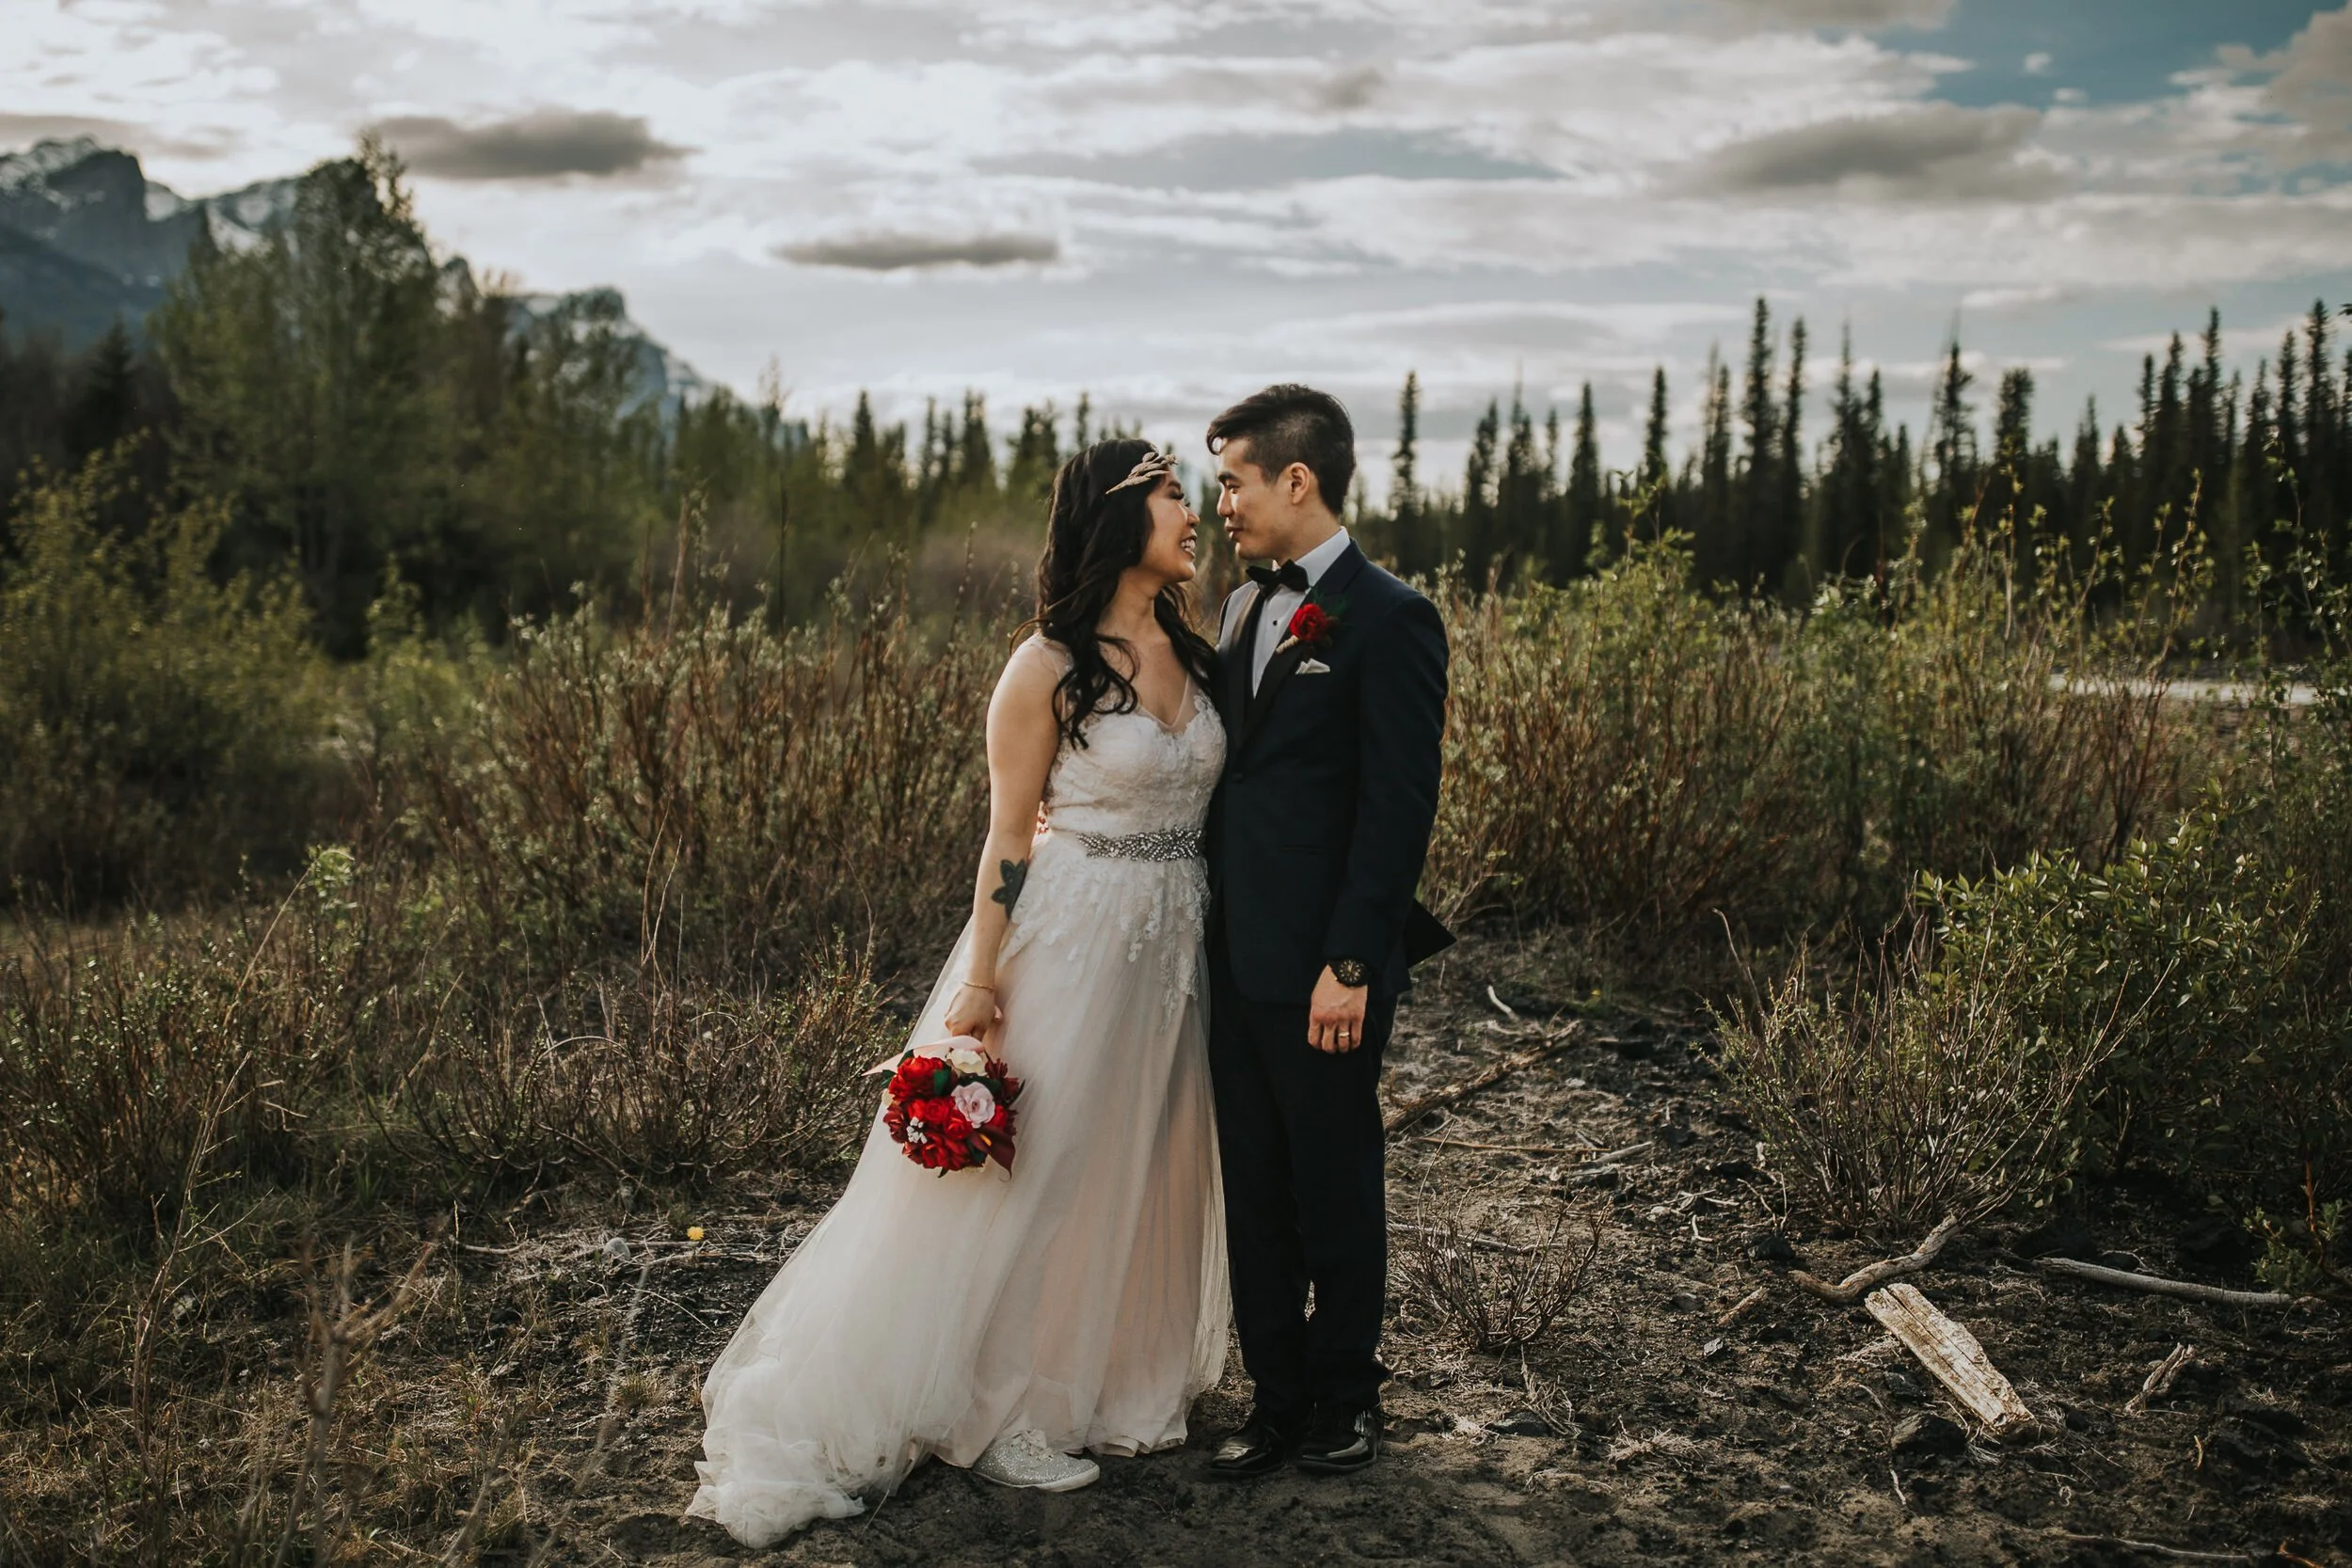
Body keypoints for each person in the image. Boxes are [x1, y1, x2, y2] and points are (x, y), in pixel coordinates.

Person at [689, 439, 1231, 1547]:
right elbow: (1005, 833)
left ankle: (1106, 1379)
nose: (1194, 511)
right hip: (1072, 937)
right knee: (1049, 1159)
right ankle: (1002, 1409)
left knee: (1142, 1152)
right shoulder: (1044, 666)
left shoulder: (1193, 643)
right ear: (1119, 518)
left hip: (1173, 943)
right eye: (1174, 493)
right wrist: (981, 979)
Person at [1200, 384, 1451, 1479]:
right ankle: (1276, 1400)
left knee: (1332, 1181)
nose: (1222, 505)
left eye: (1232, 481)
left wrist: (1351, 961)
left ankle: (1347, 1398)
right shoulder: (1246, 609)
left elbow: (1399, 806)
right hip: (1230, 957)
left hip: (1323, 968)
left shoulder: (1392, 616)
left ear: (1294, 479)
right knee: (1252, 1189)